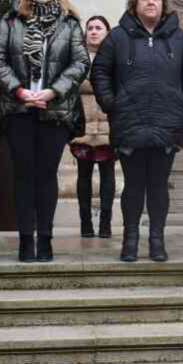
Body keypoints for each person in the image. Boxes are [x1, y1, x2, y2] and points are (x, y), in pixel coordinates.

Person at [92, 0, 183, 262]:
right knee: (133, 185)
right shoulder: (117, 37)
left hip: (167, 123)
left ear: (163, 3)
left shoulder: (179, 39)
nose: (151, 1)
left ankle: (157, 240)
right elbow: (100, 73)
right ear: (135, 3)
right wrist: (111, 104)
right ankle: (130, 240)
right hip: (129, 122)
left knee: (157, 184)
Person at [0, 0, 89, 263]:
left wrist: (53, 90)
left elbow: (80, 62)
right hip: (18, 108)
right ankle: (25, 240)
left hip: (55, 110)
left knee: (46, 175)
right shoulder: (10, 21)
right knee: (23, 175)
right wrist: (19, 90)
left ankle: (45, 239)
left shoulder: (70, 23)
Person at [71, 15, 116, 239]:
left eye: (99, 28)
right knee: (84, 176)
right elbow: (73, 82)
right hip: (83, 128)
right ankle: (85, 224)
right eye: (90, 28)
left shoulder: (115, 55)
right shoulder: (77, 56)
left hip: (109, 128)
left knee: (108, 176)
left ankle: (106, 224)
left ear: (107, 32)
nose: (94, 31)